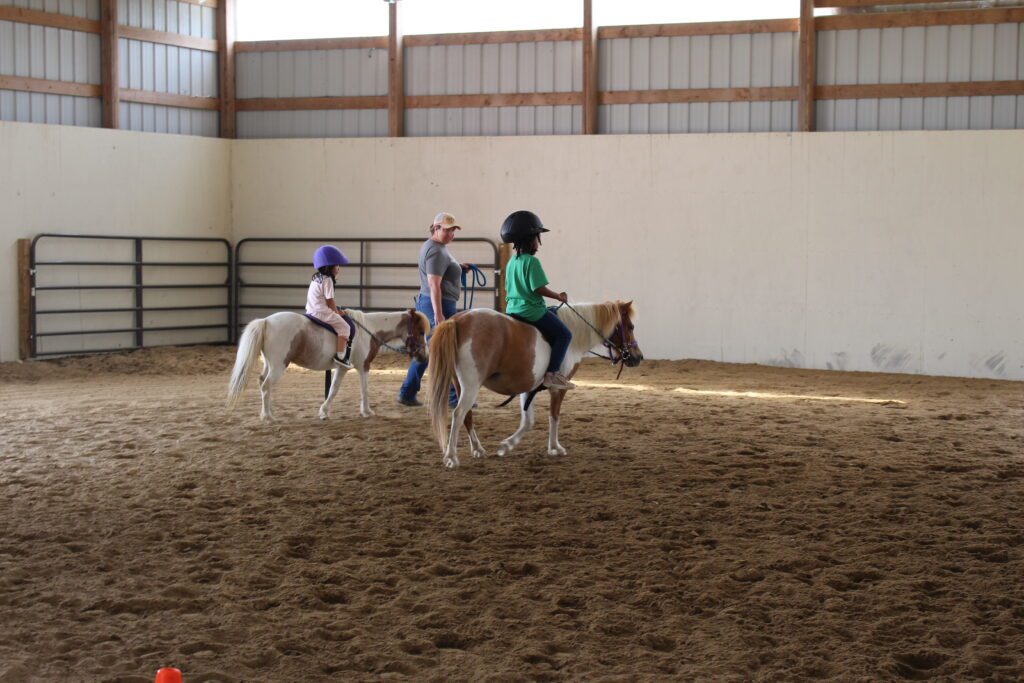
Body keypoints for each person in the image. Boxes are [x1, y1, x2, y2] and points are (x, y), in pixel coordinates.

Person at [397, 212, 468, 407]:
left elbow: (439, 272)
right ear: (436, 228)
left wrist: (458, 268)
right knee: (445, 348)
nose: (451, 234)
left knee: (428, 350)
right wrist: (438, 313)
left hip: (435, 302)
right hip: (437, 303)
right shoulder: (436, 251)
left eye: (453, 230)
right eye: (447, 230)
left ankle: (407, 392)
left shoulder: (436, 247)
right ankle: (454, 397)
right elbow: (434, 284)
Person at [501, 210, 575, 390]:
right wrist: (558, 296)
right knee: (565, 334)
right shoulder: (532, 263)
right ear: (530, 240)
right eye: (537, 239)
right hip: (531, 312)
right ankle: (552, 374)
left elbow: (508, 288)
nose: (538, 244)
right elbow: (538, 288)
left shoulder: (511, 262)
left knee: (551, 312)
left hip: (512, 310)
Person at [306, 245, 353, 369]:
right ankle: (340, 356)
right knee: (345, 327)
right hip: (321, 312)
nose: (339, 268)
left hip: (310, 310)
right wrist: (337, 313)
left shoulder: (316, 277)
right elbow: (330, 300)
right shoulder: (328, 280)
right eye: (337, 265)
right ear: (330, 266)